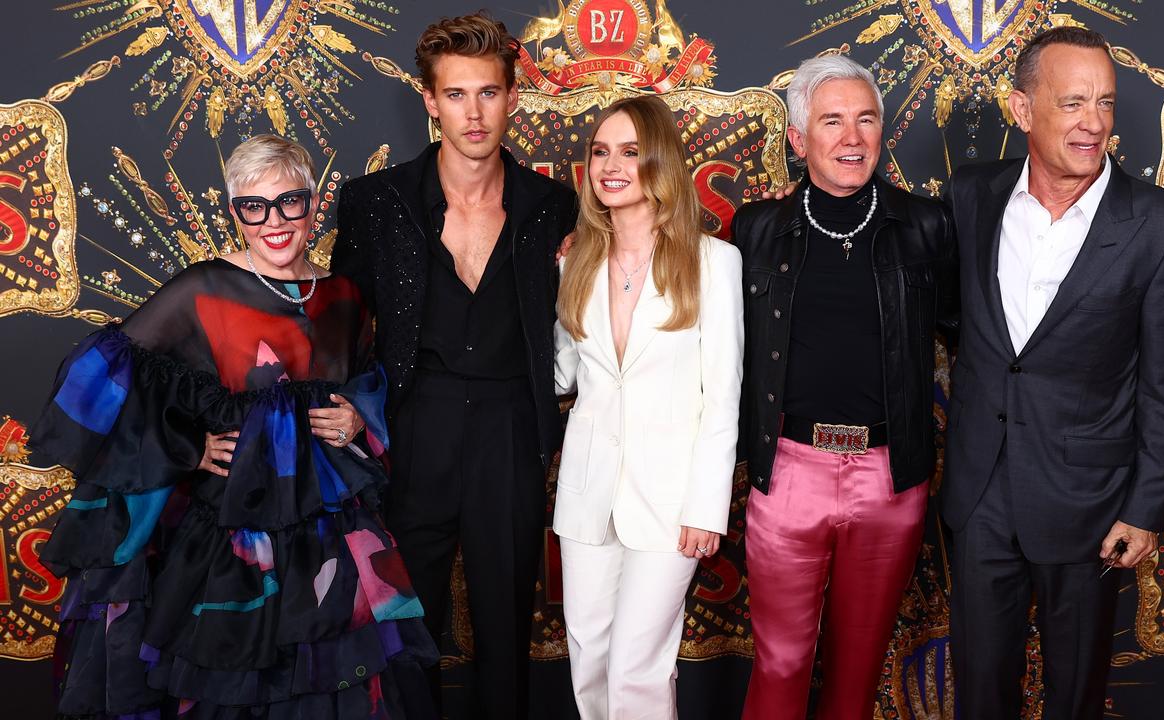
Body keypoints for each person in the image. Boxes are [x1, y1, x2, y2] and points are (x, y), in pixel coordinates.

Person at [33, 134, 437, 719]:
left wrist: (356, 415)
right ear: (236, 213)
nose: (274, 222)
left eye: (289, 202)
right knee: (233, 686)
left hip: (335, 539)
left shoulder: (345, 295)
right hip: (235, 541)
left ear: (313, 203)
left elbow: (375, 381)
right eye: (255, 207)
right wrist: (185, 449)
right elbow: (101, 379)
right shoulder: (204, 289)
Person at [942, 26, 1164, 719]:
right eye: (1073, 103)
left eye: (1106, 104)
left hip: (1090, 506)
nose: (1094, 124)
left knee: (1075, 698)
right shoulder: (973, 196)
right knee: (979, 695)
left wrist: (1144, 509)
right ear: (1022, 110)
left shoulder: (1158, 226)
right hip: (981, 494)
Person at [330, 13, 577, 719]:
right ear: (430, 100)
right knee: (408, 632)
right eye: (457, 95)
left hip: (510, 430)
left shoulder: (552, 207)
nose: (475, 113)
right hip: (413, 431)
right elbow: (344, 327)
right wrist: (350, 411)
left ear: (512, 97)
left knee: (506, 632)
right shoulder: (376, 202)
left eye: (490, 93)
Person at [732, 54, 956, 718]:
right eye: (832, 121)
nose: (851, 137)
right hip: (790, 475)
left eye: (865, 119)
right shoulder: (756, 230)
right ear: (799, 140)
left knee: (858, 672)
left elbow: (979, 344)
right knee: (780, 664)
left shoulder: (925, 227)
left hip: (891, 480)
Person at [552, 95, 744, 719]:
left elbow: (723, 396)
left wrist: (706, 507)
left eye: (630, 152)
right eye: (601, 151)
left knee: (639, 662)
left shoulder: (715, 264)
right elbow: (562, 375)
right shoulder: (575, 263)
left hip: (670, 499)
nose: (612, 165)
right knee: (589, 654)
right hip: (587, 493)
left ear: (659, 161)